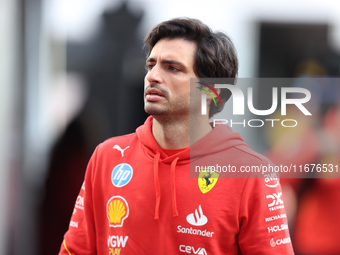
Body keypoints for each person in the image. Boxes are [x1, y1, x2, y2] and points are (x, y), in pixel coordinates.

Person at [58, 18, 294, 255]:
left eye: (173, 68)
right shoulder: (107, 157)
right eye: (151, 65)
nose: (153, 76)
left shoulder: (252, 173)